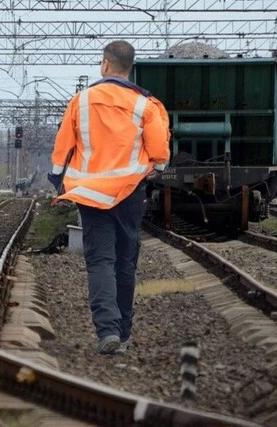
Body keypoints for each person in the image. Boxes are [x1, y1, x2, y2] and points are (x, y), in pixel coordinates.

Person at [47, 40, 171, 355]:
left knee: (100, 259)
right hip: (130, 194)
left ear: (104, 64)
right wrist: (153, 169)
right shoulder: (147, 105)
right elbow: (160, 155)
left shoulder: (81, 101)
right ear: (130, 68)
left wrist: (56, 179)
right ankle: (123, 328)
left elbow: (62, 149)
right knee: (126, 259)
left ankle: (107, 330)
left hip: (91, 193)